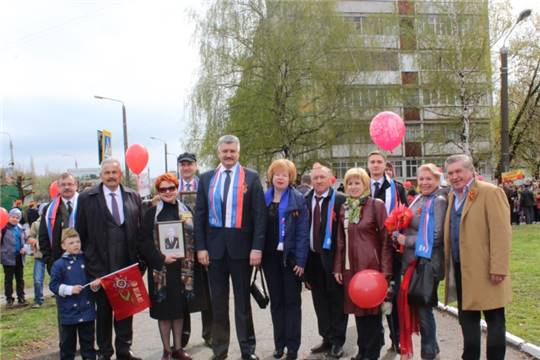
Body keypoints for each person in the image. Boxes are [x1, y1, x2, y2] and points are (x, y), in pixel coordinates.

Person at [194, 135, 266, 360]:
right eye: (225, 151)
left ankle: (248, 350)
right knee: (218, 304)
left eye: (232, 151)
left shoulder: (251, 178)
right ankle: (220, 350)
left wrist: (257, 248)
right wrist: (201, 248)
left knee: (243, 303)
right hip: (214, 253)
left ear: (238, 152)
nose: (228, 155)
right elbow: (200, 216)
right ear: (218, 153)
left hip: (242, 251)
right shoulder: (206, 179)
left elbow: (259, 217)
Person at [444, 154, 511, 360]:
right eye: (451, 173)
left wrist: (498, 267)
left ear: (471, 171)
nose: (455, 177)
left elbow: (501, 233)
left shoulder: (490, 192)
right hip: (462, 269)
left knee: (495, 320)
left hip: (487, 269)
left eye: (459, 171)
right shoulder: (452, 196)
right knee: (468, 319)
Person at [76, 159, 143, 360]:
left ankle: (124, 351)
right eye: (107, 172)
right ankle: (105, 352)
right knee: (104, 313)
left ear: (120, 174)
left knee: (125, 310)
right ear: (101, 175)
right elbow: (81, 233)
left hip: (126, 264)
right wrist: (89, 265)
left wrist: (141, 263)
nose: (111, 176)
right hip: (100, 267)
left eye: (115, 172)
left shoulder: (133, 196)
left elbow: (140, 231)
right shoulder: (87, 198)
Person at [333, 168, 392, 360]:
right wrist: (338, 267)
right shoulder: (345, 208)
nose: (353, 187)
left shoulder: (376, 205)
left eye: (357, 183)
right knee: (358, 310)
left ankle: (372, 352)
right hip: (351, 267)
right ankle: (362, 350)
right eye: (350, 183)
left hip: (371, 267)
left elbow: (385, 239)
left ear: (365, 184)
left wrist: (385, 269)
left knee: (373, 311)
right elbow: (340, 240)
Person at [138, 173, 194, 360]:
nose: (168, 192)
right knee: (164, 312)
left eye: (171, 188)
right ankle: (166, 350)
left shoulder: (186, 210)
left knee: (178, 310)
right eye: (163, 189)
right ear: (158, 191)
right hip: (160, 270)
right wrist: (161, 258)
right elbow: (143, 242)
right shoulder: (151, 213)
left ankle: (178, 348)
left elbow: (194, 235)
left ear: (177, 189)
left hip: (181, 270)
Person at [394, 164, 447, 359]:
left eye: (429, 179)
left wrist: (406, 240)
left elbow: (437, 235)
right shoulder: (418, 197)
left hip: (427, 264)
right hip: (413, 262)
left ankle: (429, 352)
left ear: (438, 180)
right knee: (419, 305)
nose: (424, 182)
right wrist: (397, 230)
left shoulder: (438, 200)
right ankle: (433, 346)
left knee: (424, 308)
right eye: (421, 179)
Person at [262, 159, 309, 360]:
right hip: (270, 258)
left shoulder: (298, 199)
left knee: (292, 303)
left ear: (291, 178)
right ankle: (279, 344)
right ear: (271, 177)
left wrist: (301, 260)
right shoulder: (263, 198)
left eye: (285, 174)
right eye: (277, 174)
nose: (280, 177)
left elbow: (302, 233)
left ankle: (292, 348)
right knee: (277, 303)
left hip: (290, 259)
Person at [304, 164, 348, 358]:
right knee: (319, 300)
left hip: (333, 259)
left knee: (337, 301)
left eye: (322, 177)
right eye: (315, 178)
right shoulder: (305, 199)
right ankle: (327, 338)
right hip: (312, 258)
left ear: (331, 179)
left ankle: (338, 341)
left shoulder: (340, 200)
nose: (319, 181)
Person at [367, 150, 408, 352]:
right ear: (368, 165)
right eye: (372, 162)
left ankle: (396, 338)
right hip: (368, 252)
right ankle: (375, 340)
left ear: (385, 165)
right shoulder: (360, 186)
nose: (375, 165)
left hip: (391, 251)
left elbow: (406, 215)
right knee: (370, 296)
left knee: (391, 295)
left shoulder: (397, 188)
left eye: (379, 162)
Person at [177, 151, 213, 349]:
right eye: (182, 164)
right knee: (184, 293)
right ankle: (183, 336)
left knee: (208, 293)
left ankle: (210, 334)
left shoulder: (206, 185)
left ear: (196, 165)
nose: (186, 168)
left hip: (205, 247)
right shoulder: (173, 188)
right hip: (182, 251)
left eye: (189, 164)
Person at [49, 228, 100, 360]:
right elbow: (53, 285)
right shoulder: (58, 264)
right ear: (63, 246)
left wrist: (95, 285)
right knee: (67, 346)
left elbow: (91, 279)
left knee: (88, 344)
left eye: (78, 242)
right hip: (68, 312)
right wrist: (69, 289)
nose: (76, 245)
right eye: (71, 243)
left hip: (86, 309)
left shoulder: (86, 260)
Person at [39, 173, 80, 272]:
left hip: (84, 261)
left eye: (70, 184)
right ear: (58, 187)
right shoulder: (49, 209)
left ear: (76, 185)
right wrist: (49, 261)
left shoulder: (86, 204)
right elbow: (43, 237)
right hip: (59, 262)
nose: (66, 187)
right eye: (63, 185)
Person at [1, 208, 28, 306]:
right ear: (9, 217)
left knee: (20, 279)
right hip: (7, 258)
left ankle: (21, 297)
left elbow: (25, 240)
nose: (15, 219)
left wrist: (24, 248)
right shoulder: (3, 228)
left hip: (19, 257)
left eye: (17, 218)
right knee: (9, 279)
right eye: (13, 217)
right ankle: (9, 298)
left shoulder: (20, 228)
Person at [27, 203, 48, 307]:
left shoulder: (53, 222)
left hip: (51, 255)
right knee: (38, 280)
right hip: (39, 256)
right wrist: (34, 242)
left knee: (57, 277)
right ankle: (38, 300)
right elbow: (30, 237)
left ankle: (59, 297)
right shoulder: (36, 224)